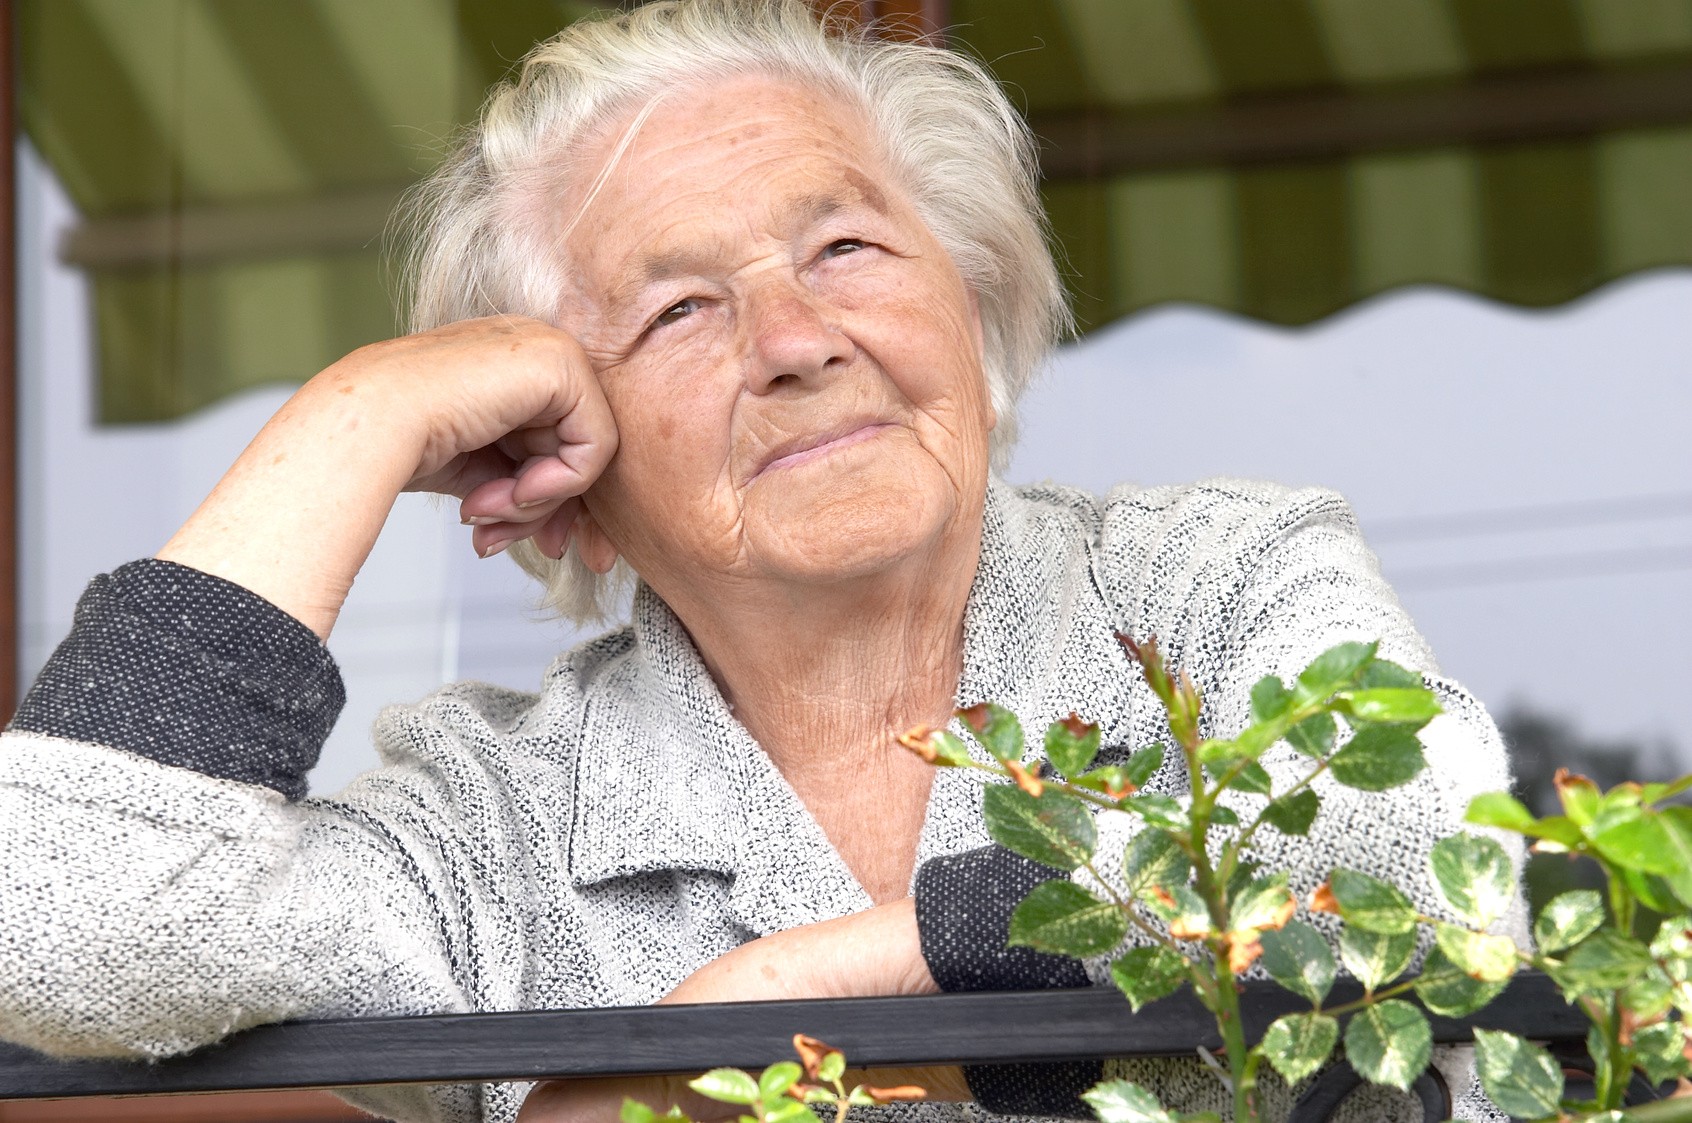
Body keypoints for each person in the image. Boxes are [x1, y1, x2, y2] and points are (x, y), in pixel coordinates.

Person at [0, 3, 1518, 1122]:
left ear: (975, 310)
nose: (796, 344)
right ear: (563, 461)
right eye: (675, 314)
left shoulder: (1211, 578)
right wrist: (361, 410)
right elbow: (58, 926)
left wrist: (789, 1004)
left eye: (847, 249)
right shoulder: (500, 831)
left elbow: (1422, 859)